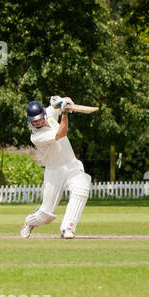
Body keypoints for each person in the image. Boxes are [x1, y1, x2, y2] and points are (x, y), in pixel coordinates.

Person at [19, 96, 91, 239]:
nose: (38, 122)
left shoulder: (49, 114)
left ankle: (68, 228)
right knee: (46, 215)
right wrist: (64, 113)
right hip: (54, 171)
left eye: (39, 118)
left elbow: (60, 102)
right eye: (34, 121)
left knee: (82, 189)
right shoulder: (36, 137)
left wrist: (62, 101)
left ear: (43, 115)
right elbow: (61, 133)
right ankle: (29, 222)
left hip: (71, 164)